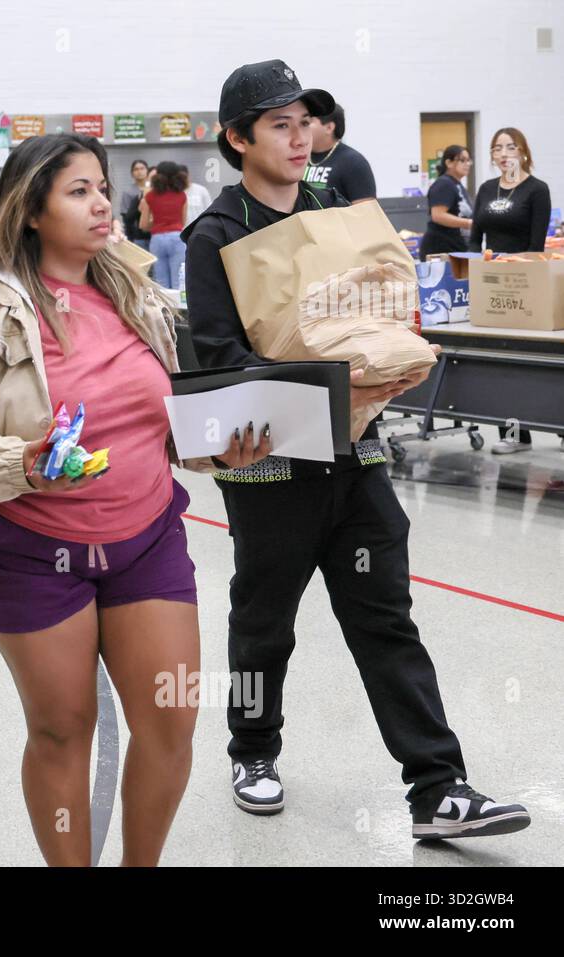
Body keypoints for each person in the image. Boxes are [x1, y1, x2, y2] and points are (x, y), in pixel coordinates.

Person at [182, 59, 529, 840]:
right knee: (264, 618)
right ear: (237, 138)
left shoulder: (337, 212)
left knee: (386, 620)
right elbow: (215, 354)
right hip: (270, 463)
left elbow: (369, 313)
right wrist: (314, 376)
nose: (301, 137)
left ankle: (439, 786)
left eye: (307, 121)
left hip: (358, 452)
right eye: (280, 123)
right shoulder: (216, 235)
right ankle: (253, 749)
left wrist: (385, 353)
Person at [0, 132, 261, 866]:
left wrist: (216, 447)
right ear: (31, 209)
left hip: (147, 540)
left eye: (102, 187)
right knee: (63, 728)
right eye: (78, 191)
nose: (102, 204)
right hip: (29, 549)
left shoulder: (135, 292)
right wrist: (21, 463)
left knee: (170, 720)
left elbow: (155, 421)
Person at [470, 127, 552, 454]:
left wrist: (515, 269)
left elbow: (536, 246)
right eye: (497, 148)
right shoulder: (487, 189)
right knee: (499, 364)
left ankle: (549, 432)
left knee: (521, 363)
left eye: (510, 147)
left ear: (523, 152)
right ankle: (515, 435)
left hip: (523, 284)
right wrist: (475, 267)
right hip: (490, 283)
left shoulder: (537, 190)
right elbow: (476, 238)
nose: (503, 154)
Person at [304, 103, 376, 203]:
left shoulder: (353, 162)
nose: (303, 128)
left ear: (329, 127)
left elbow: (366, 213)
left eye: (308, 122)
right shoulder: (299, 156)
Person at [139, 160, 188, 289]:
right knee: (179, 280)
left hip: (157, 239)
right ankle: (180, 309)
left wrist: (156, 224)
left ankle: (165, 309)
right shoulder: (182, 195)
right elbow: (183, 222)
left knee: (161, 282)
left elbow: (143, 225)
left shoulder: (150, 196)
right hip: (177, 238)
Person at [418, 145, 473, 259]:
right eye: (462, 160)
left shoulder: (457, 184)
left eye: (468, 160)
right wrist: (469, 223)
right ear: (449, 163)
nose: (467, 164)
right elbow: (438, 215)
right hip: (440, 249)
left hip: (455, 247)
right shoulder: (444, 184)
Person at [119, 158, 153, 250]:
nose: (139, 172)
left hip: (155, 234)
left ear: (147, 171)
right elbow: (126, 217)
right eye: (136, 169)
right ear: (132, 173)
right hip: (138, 237)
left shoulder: (154, 189)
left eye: (142, 168)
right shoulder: (128, 192)